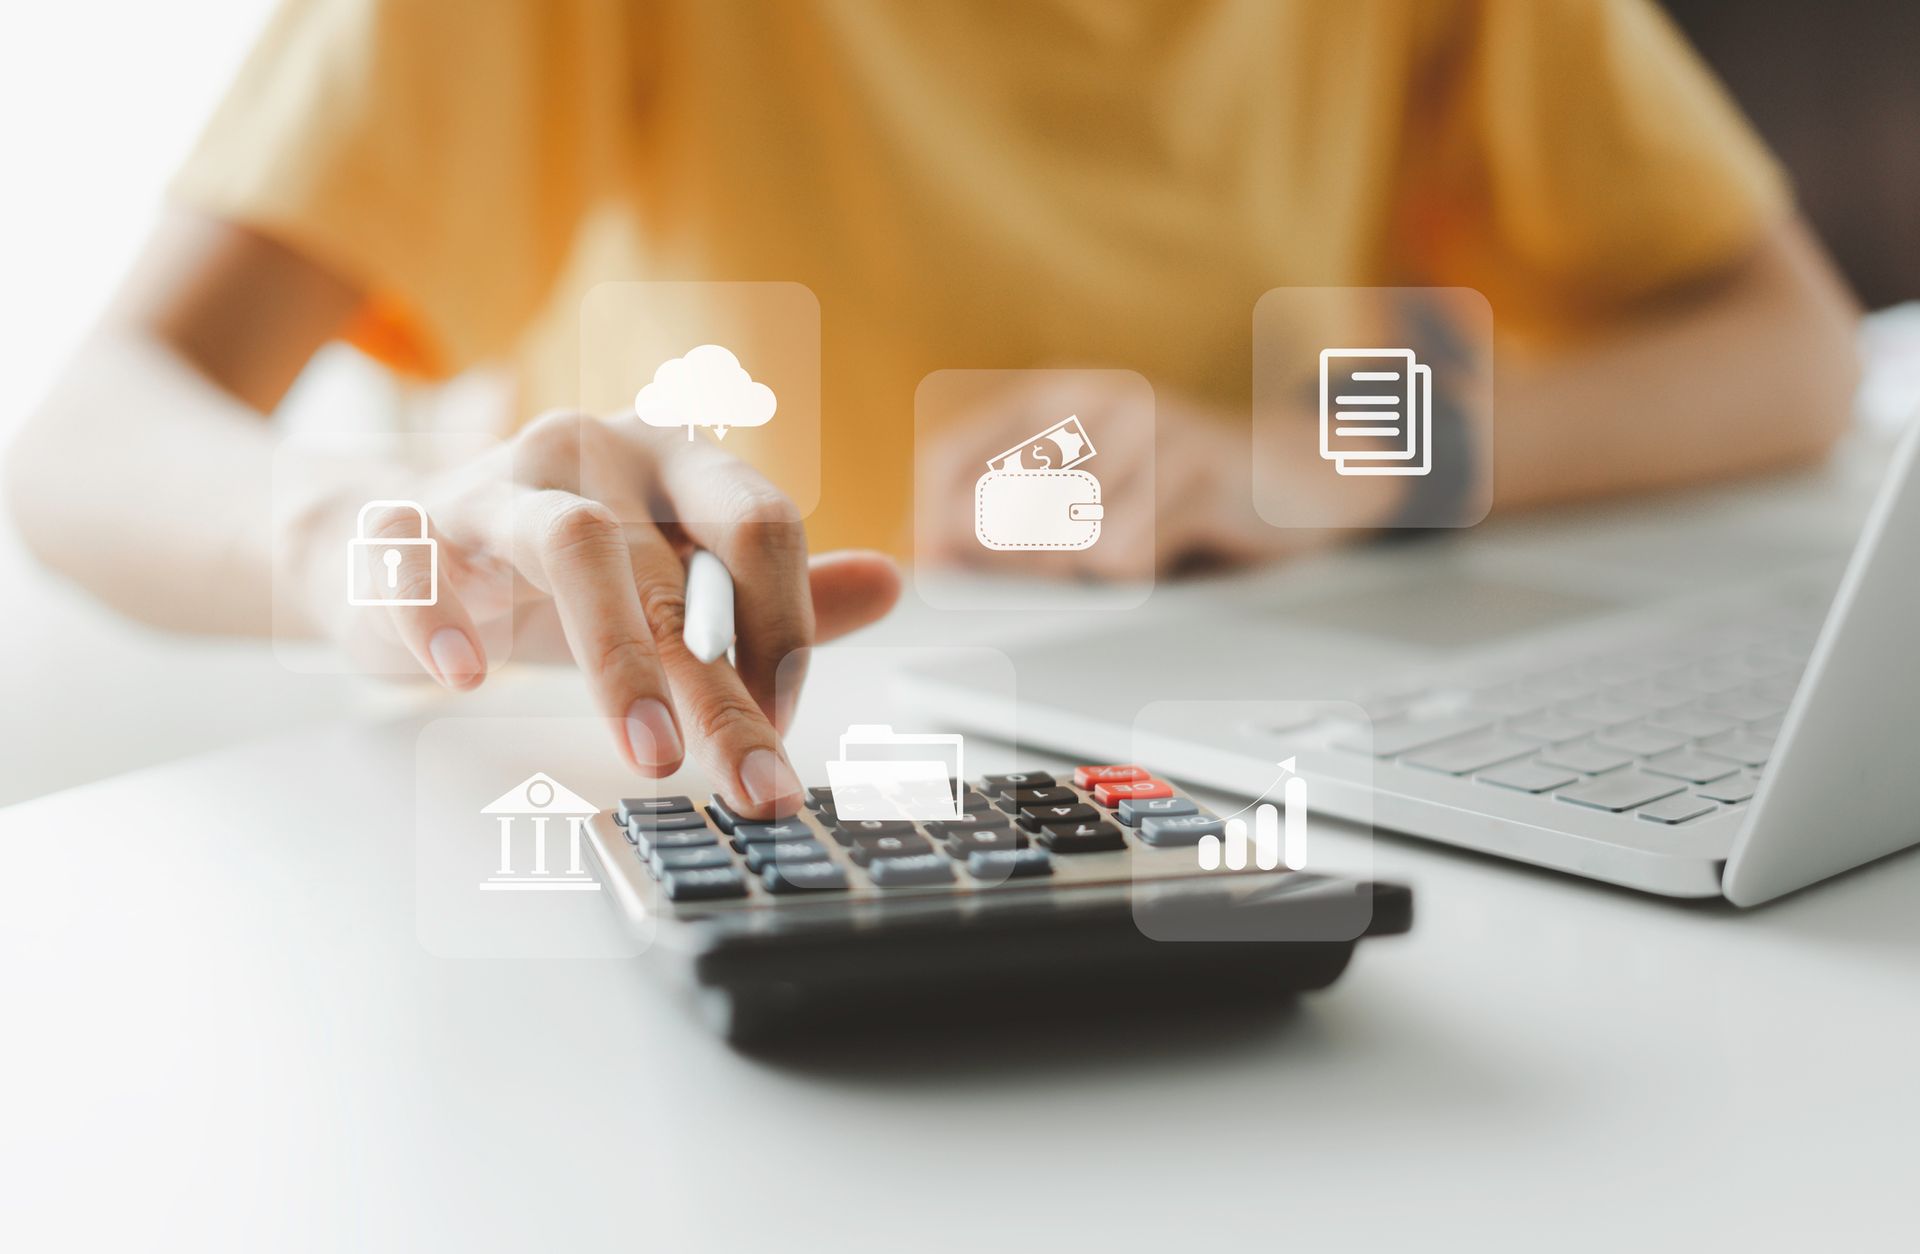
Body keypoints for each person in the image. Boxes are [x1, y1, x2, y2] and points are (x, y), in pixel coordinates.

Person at [5, 0, 1860, 819]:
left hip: (1262, 766)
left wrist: (1307, 464)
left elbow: (1788, 346)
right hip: (720, 819)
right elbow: (83, 432)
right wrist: (379, 534)